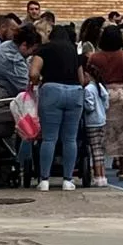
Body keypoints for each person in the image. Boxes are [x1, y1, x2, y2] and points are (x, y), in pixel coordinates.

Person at [32, 25, 87, 191]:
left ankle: (44, 180)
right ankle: (68, 180)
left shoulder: (44, 49)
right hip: (74, 93)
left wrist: (37, 82)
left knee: (49, 138)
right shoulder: (73, 51)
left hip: (51, 91)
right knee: (70, 139)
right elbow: (82, 80)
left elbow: (33, 73)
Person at [87, 25, 123, 182]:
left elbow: (88, 75)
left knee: (99, 133)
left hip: (100, 93)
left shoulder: (94, 57)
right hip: (120, 95)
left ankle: (97, 169)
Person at [82, 61, 111, 188]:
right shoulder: (99, 86)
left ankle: (98, 176)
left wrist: (82, 104)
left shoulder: (88, 89)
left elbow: (90, 106)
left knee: (94, 150)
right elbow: (106, 102)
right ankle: (103, 176)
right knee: (99, 150)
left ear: (87, 75)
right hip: (102, 119)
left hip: (92, 122)